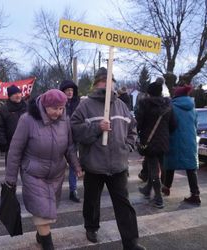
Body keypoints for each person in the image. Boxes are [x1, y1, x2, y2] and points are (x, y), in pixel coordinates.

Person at [70, 67, 145, 250]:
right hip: (95, 165)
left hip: (118, 165)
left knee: (123, 205)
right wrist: (97, 128)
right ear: (97, 84)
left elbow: (132, 130)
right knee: (92, 201)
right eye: (104, 81)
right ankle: (91, 227)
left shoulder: (121, 105)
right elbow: (75, 130)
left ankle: (131, 242)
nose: (108, 85)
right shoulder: (85, 105)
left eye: (111, 81)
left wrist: (127, 146)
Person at [5, 89, 83, 250]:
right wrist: (10, 179)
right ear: (45, 106)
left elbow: (69, 147)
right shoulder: (27, 120)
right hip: (33, 174)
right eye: (55, 108)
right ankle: (48, 245)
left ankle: (41, 234)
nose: (59, 112)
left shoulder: (64, 120)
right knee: (42, 213)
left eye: (62, 108)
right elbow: (15, 150)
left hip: (56, 175)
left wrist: (76, 166)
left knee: (48, 212)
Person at [136, 81, 176, 209]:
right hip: (163, 141)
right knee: (154, 164)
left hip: (149, 141)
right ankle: (148, 190)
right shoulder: (168, 106)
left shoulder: (144, 105)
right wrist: (164, 133)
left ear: (149, 93)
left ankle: (158, 198)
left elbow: (139, 123)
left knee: (154, 169)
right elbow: (174, 124)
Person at [162, 85, 201, 204]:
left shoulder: (171, 107)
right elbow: (196, 125)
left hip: (174, 140)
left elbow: (168, 124)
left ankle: (166, 188)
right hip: (190, 141)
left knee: (170, 164)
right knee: (191, 168)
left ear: (176, 96)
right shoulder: (193, 108)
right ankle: (195, 194)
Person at [59, 79, 81, 203]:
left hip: (74, 137)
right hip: (60, 136)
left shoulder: (78, 103)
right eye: (67, 90)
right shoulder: (58, 103)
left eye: (71, 90)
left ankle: (73, 190)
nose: (70, 92)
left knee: (74, 164)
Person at [0, 85, 27, 163]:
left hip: (27, 145)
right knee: (11, 172)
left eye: (19, 93)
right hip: (11, 146)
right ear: (10, 96)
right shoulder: (3, 110)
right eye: (15, 94)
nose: (18, 95)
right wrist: (3, 143)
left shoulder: (27, 107)